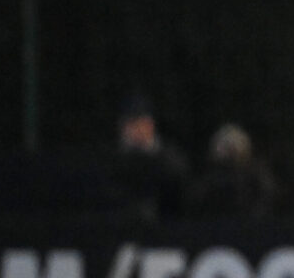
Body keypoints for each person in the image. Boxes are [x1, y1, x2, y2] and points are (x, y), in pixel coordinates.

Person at [110, 92, 190, 223]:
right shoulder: (113, 159)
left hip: (165, 223)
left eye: (141, 123)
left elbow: (179, 188)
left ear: (151, 124)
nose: (137, 129)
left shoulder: (169, 156)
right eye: (131, 124)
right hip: (122, 224)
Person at [188, 122, 278, 218]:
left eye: (233, 145)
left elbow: (268, 193)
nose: (230, 150)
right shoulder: (210, 175)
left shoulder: (256, 171)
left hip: (249, 223)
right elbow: (197, 198)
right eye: (225, 145)